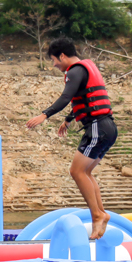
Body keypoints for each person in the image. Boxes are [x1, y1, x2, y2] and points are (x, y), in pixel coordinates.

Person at [26, 38, 117, 239]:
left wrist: (45, 114)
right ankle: (101, 213)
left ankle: (97, 215)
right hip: (107, 127)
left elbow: (66, 97)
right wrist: (68, 120)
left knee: (76, 171)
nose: (54, 65)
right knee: (86, 172)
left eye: (54, 60)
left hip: (97, 127)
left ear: (63, 56)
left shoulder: (75, 70)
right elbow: (84, 98)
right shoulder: (86, 68)